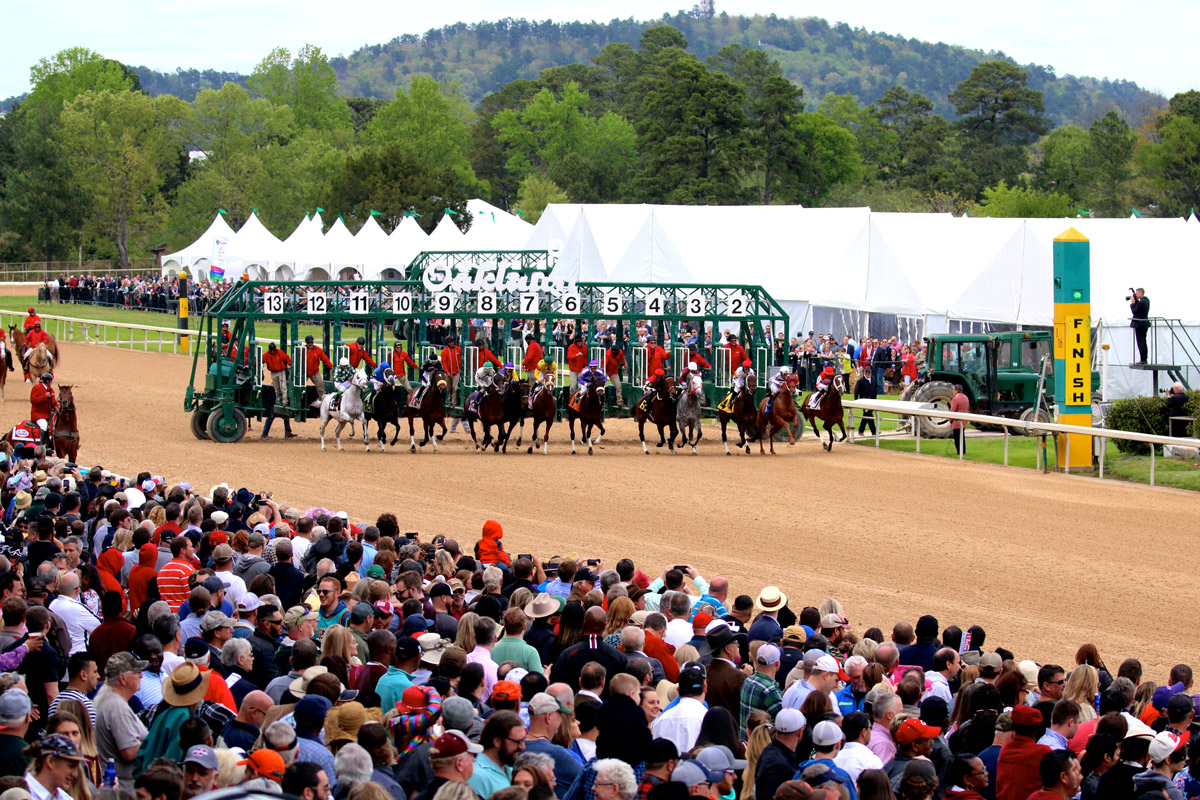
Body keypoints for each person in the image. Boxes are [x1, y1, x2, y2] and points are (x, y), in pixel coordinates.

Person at [24, 733, 87, 800]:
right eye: (71, 766)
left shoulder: (65, 798)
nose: (75, 774)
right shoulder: (21, 793)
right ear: (50, 761)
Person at [303, 334, 333, 405]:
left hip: (314, 372)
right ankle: (299, 401)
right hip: (304, 373)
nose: (311, 344)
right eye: (309, 343)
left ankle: (324, 403)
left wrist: (331, 366)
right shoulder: (302, 350)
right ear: (306, 343)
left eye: (312, 342)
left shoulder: (317, 350)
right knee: (301, 387)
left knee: (320, 386)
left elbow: (325, 359)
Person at [30, 373, 57, 448]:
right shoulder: (36, 388)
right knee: (44, 425)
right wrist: (44, 396)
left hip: (48, 414)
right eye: (51, 381)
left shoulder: (51, 390)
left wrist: (57, 407)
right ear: (48, 381)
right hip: (39, 415)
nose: (51, 382)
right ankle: (41, 444)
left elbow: (54, 401)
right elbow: (33, 400)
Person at [262, 342, 291, 407]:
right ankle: (281, 401)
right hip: (273, 373)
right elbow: (261, 360)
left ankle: (285, 402)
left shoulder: (280, 352)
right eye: (271, 350)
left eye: (273, 350)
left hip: (281, 372)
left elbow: (287, 358)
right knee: (277, 389)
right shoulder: (267, 354)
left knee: (283, 387)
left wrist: (290, 364)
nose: (272, 351)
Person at [854, 367, 877, 435]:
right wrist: (856, 401)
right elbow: (856, 391)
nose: (867, 373)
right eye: (866, 372)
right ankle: (874, 431)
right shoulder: (861, 381)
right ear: (864, 372)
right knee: (869, 415)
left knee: (866, 416)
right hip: (864, 401)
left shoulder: (873, 380)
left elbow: (875, 390)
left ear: (871, 373)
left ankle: (861, 430)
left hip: (871, 401)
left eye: (869, 372)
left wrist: (875, 399)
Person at [1130, 288, 1150, 364]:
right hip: (1144, 323)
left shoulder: (1142, 302)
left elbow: (1135, 311)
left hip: (1140, 324)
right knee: (1143, 341)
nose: (1136, 295)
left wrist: (1132, 303)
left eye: (1137, 293)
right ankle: (1144, 358)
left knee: (1140, 342)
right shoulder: (1146, 300)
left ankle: (1143, 359)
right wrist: (1136, 302)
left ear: (1140, 293)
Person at [950, 385, 969, 455]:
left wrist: (950, 420)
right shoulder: (966, 397)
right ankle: (963, 451)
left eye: (954, 390)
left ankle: (959, 452)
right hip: (964, 421)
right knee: (962, 437)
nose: (953, 391)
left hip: (957, 422)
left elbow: (952, 411)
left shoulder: (955, 399)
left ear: (956, 390)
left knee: (957, 438)